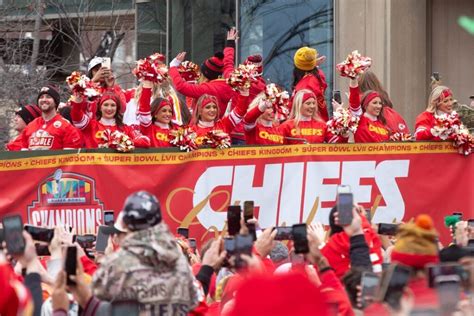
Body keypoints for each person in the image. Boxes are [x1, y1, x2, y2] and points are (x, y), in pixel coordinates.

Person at [92, 191, 201, 313]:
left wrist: (105, 258)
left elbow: (95, 298)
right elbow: (197, 306)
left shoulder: (117, 264)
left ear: (127, 226)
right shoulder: (179, 263)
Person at [169, 51, 237, 118]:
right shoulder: (228, 85)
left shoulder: (207, 89)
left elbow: (181, 87)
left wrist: (173, 66)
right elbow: (229, 65)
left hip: (202, 126)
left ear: (205, 74)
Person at [70, 92, 150, 149]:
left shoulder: (125, 128)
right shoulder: (90, 126)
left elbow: (145, 141)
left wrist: (124, 141)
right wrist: (78, 101)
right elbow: (76, 117)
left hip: (118, 171)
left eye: (113, 105)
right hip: (94, 170)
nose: (109, 108)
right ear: (100, 107)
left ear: (117, 108)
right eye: (105, 105)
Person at [17, 85, 82, 150]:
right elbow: (23, 155)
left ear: (56, 102)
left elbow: (70, 156)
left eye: (48, 97)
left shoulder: (66, 126)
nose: (44, 100)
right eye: (41, 97)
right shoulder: (30, 126)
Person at [279, 89, 344, 144]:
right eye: (308, 103)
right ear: (299, 105)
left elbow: (336, 145)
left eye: (313, 103)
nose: (312, 106)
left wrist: (344, 134)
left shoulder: (322, 125)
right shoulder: (286, 126)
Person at [347, 78, 391, 143]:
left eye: (380, 103)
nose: (378, 106)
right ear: (365, 105)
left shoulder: (383, 125)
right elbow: (354, 99)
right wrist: (353, 78)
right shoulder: (359, 119)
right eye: (374, 103)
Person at [291, 46, 329, 121]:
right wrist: (312, 64)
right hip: (322, 121)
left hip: (308, 125)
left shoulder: (304, 87)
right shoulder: (318, 76)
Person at [136, 80, 177, 147]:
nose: (168, 114)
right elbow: (144, 108)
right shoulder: (148, 129)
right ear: (155, 114)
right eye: (164, 111)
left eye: (170, 111)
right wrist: (147, 85)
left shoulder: (176, 130)